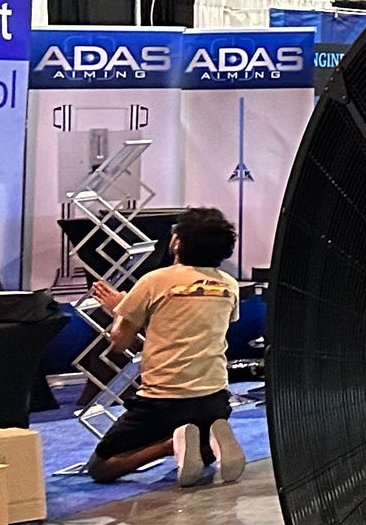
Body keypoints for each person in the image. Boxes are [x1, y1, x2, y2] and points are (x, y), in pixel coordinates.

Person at [86, 208, 247, 487]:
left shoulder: (153, 281)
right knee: (200, 453)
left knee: (101, 467)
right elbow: (191, 332)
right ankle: (208, 437)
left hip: (162, 400)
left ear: (176, 242)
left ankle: (172, 443)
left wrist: (119, 312)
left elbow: (119, 343)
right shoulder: (229, 286)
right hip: (214, 397)